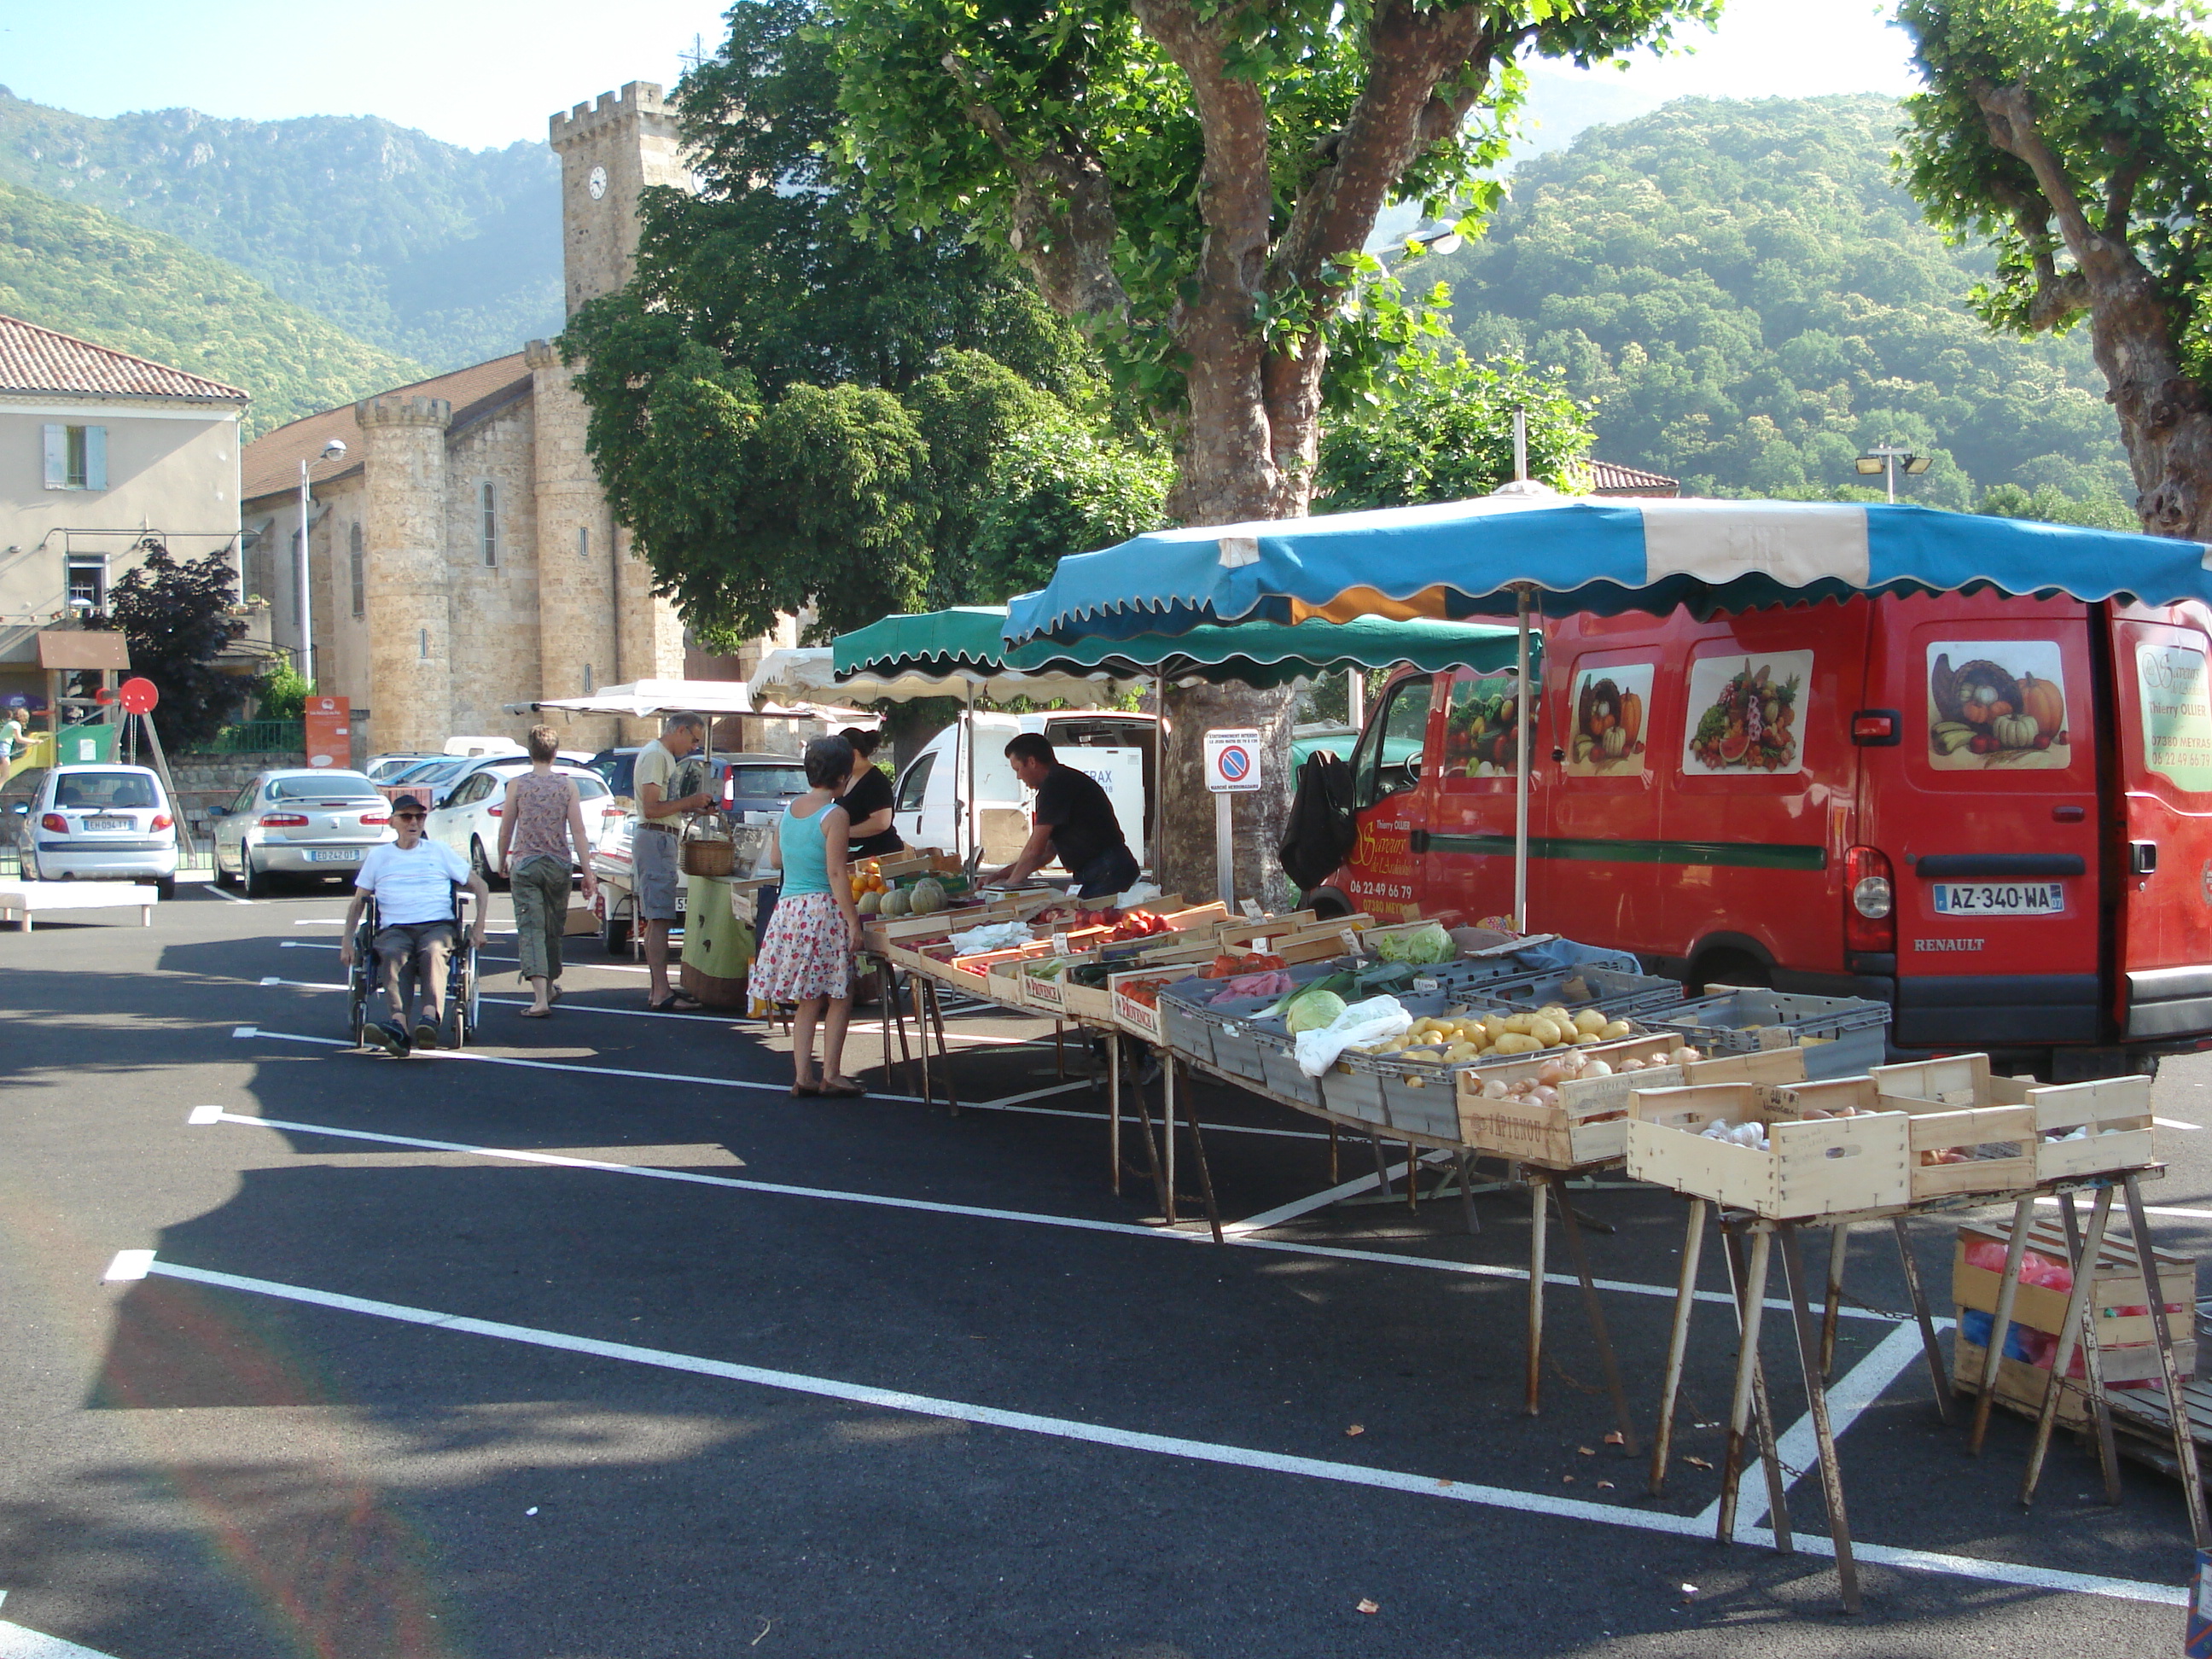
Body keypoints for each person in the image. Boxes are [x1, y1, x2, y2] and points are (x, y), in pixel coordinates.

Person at [747, 735, 866, 1097]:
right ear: (844, 776)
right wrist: (852, 921)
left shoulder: (789, 810)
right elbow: (836, 874)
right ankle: (830, 1072)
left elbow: (776, 860)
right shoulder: (835, 815)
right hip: (822, 909)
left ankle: (803, 1075)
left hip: (789, 909)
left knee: (808, 998)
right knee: (838, 995)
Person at [341, 798, 490, 1056]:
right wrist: (346, 941)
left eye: (419, 817)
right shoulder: (379, 857)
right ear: (392, 822)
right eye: (406, 817)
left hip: (437, 926)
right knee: (392, 953)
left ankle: (429, 1019)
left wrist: (479, 926)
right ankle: (398, 1025)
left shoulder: (439, 851)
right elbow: (358, 903)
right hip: (395, 928)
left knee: (434, 951)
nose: (413, 822)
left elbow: (481, 886)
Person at [498, 725, 600, 1018]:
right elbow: (578, 831)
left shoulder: (516, 785)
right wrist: (588, 873)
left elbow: (507, 827)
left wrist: (503, 856)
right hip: (558, 864)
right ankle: (551, 984)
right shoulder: (567, 786)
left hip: (526, 863)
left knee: (531, 928)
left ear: (530, 752)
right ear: (555, 753)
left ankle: (540, 997)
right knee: (554, 928)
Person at [984, 732, 1140, 898]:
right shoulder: (1060, 781)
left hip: (1106, 870)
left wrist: (1009, 888)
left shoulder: (1055, 784)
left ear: (1031, 762)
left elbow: (1034, 850)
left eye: (1018, 769)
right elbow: (1047, 852)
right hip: (1101, 869)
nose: (1019, 776)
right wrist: (1000, 876)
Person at [633, 712, 713, 1010]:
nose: (694, 747)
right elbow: (653, 808)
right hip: (655, 837)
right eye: (693, 739)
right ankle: (661, 991)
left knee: (659, 917)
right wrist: (690, 803)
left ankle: (659, 989)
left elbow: (662, 808)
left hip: (660, 836)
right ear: (679, 730)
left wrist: (691, 809)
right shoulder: (657, 756)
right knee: (660, 917)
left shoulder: (661, 756)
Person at [835, 726, 903, 860]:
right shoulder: (848, 778)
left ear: (853, 754)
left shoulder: (875, 781)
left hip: (880, 855)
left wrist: (843, 832)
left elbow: (881, 822)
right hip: (858, 856)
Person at [0, 709, 20, 787]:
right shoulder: (14, 724)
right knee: (5, 776)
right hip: (4, 751)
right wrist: (34, 741)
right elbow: (19, 739)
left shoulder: (4, 725)